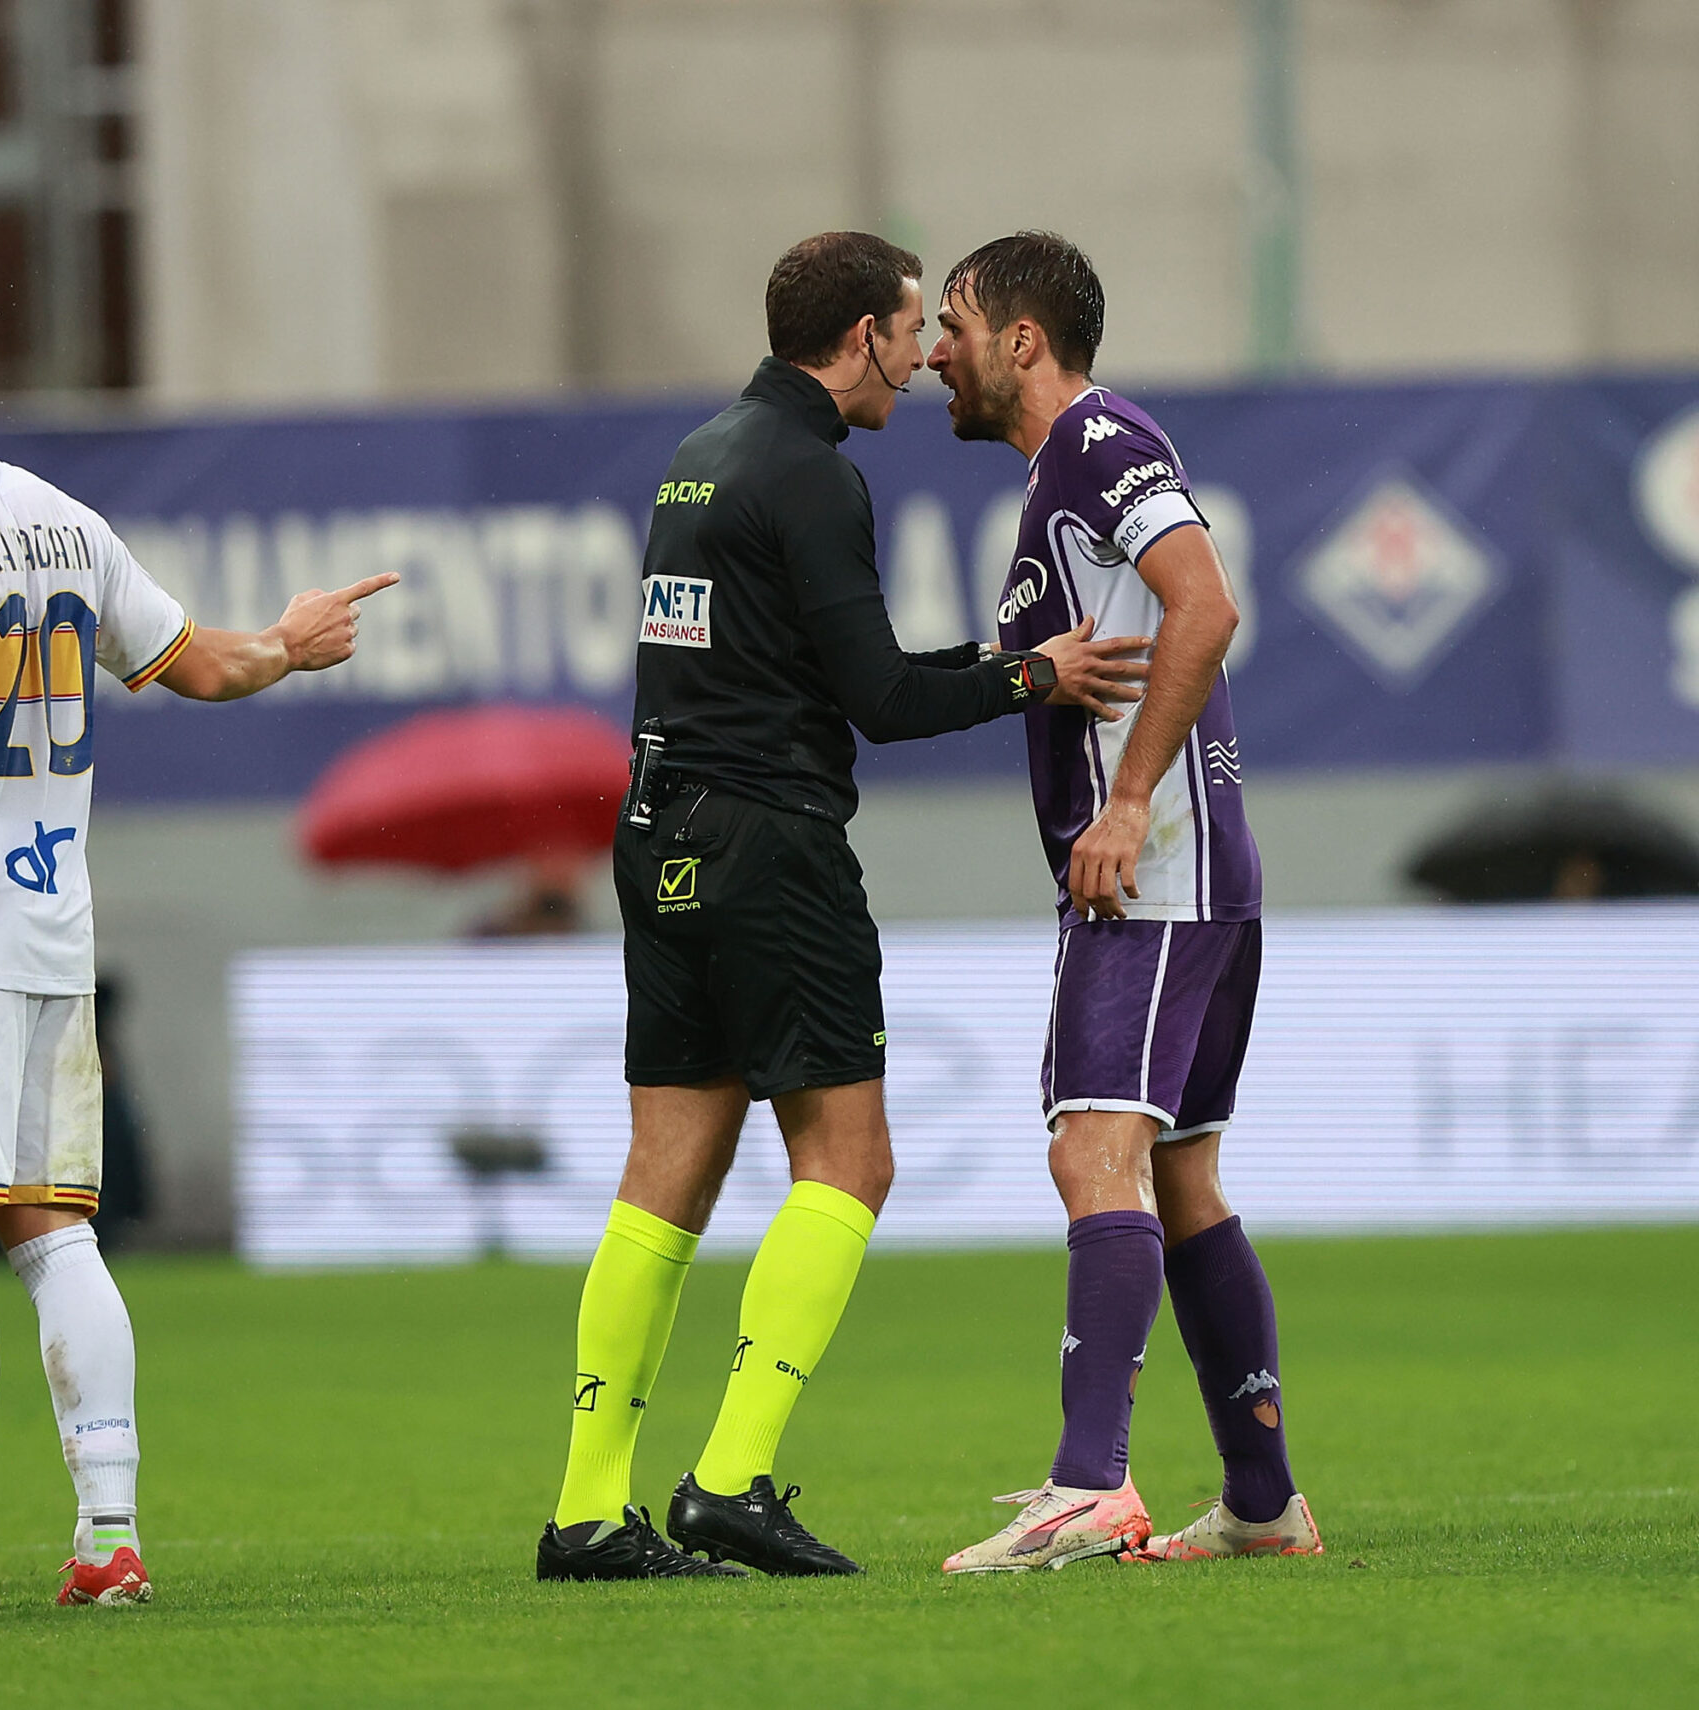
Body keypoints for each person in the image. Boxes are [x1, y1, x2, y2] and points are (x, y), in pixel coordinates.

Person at [536, 233, 1148, 1582]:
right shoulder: (814, 476)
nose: (928, 358)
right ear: (860, 336)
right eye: (912, 328)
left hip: (659, 836)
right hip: (769, 849)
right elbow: (877, 700)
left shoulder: (700, 456)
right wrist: (1033, 676)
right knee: (852, 1160)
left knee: (664, 1182)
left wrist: (1000, 664)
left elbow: (807, 670)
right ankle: (731, 1477)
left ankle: (587, 1507)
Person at [0, 282, 393, 1618]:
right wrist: (288, 644)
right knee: (51, 1225)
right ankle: (109, 1531)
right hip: (55, 922)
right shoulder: (63, 518)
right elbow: (201, 667)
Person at [927, 232, 1320, 1571]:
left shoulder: (1099, 435)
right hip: (1191, 866)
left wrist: (1127, 799)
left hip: (1151, 871)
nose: (935, 352)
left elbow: (1203, 608)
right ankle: (1264, 1505)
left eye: (957, 328)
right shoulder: (1067, 474)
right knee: (1179, 1172)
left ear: (1022, 341)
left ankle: (1090, 1482)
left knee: (1092, 1150)